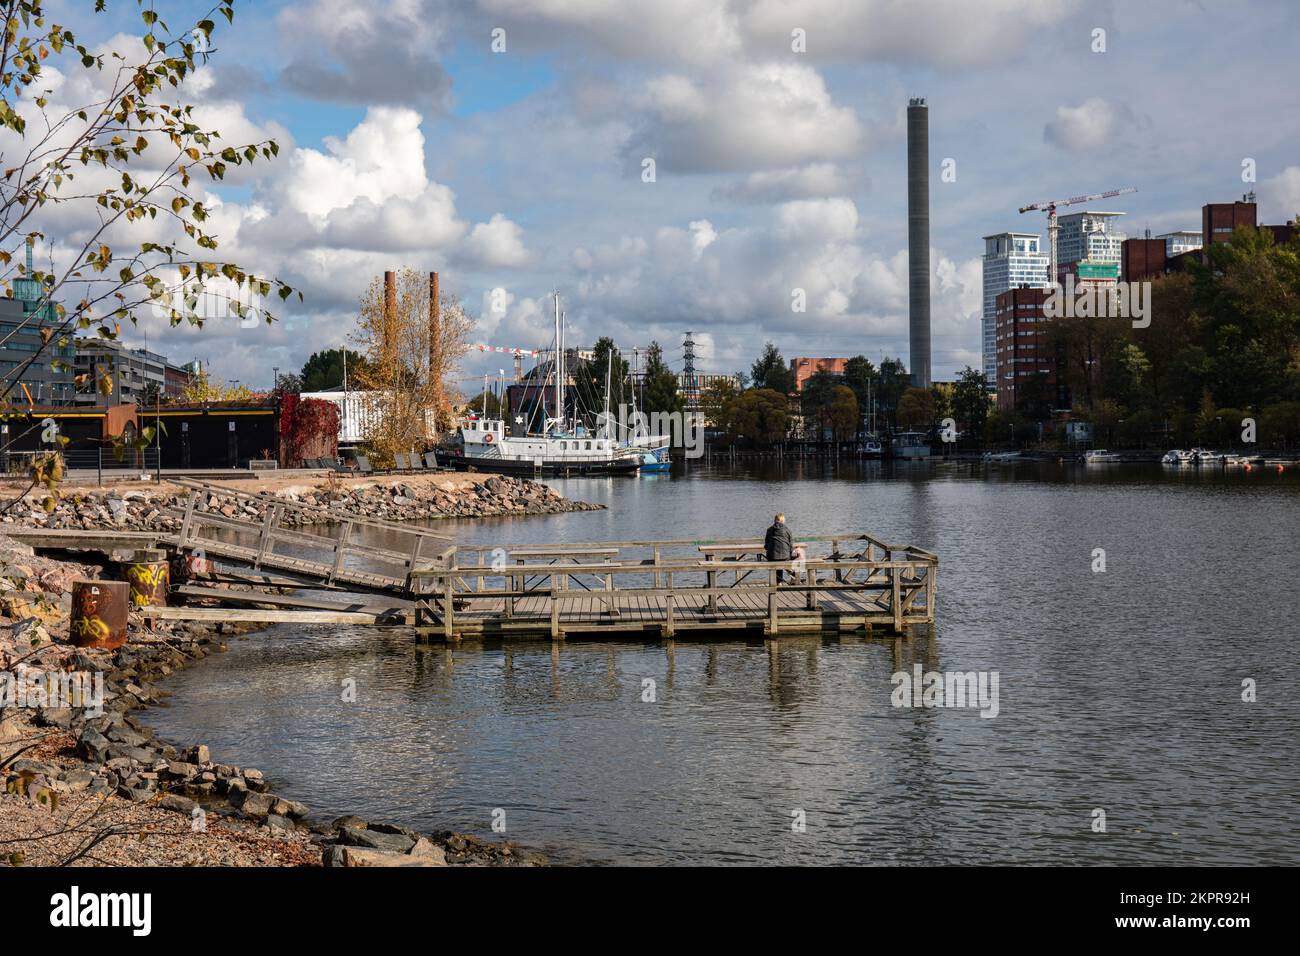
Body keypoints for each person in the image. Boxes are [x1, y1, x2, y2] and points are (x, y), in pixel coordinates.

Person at [764, 513, 793, 583]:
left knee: (775, 558)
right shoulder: (787, 530)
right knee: (782, 559)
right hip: (785, 556)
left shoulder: (769, 530)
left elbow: (766, 546)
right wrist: (790, 554)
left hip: (772, 557)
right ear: (783, 521)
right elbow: (791, 545)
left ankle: (777, 582)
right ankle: (790, 576)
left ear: (774, 520)